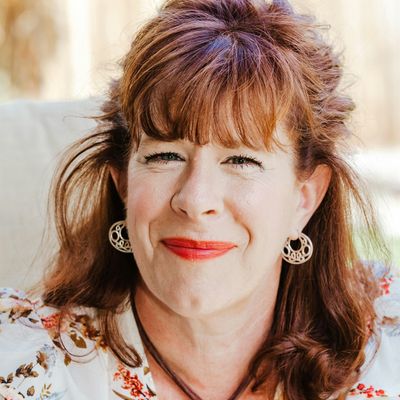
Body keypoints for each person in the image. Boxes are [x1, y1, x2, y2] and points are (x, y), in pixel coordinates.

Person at [1, 0, 399, 399]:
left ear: (305, 198)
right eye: (165, 155)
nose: (195, 199)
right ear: (123, 183)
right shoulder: (19, 366)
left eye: (241, 160)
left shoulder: (388, 349)